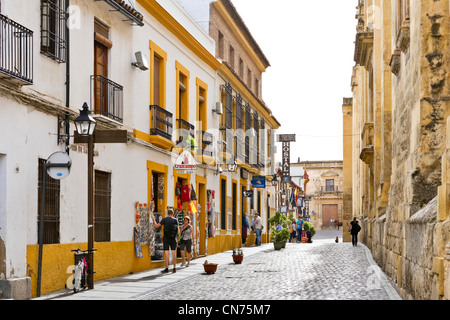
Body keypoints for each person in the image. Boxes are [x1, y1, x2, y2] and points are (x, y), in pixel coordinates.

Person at [152, 208, 179, 273]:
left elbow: (156, 226)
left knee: (166, 253)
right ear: (173, 213)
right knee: (173, 253)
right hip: (173, 238)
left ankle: (166, 268)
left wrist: (153, 220)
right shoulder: (175, 220)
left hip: (166, 238)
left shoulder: (164, 219)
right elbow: (178, 231)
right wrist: (177, 239)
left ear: (167, 213)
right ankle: (174, 268)